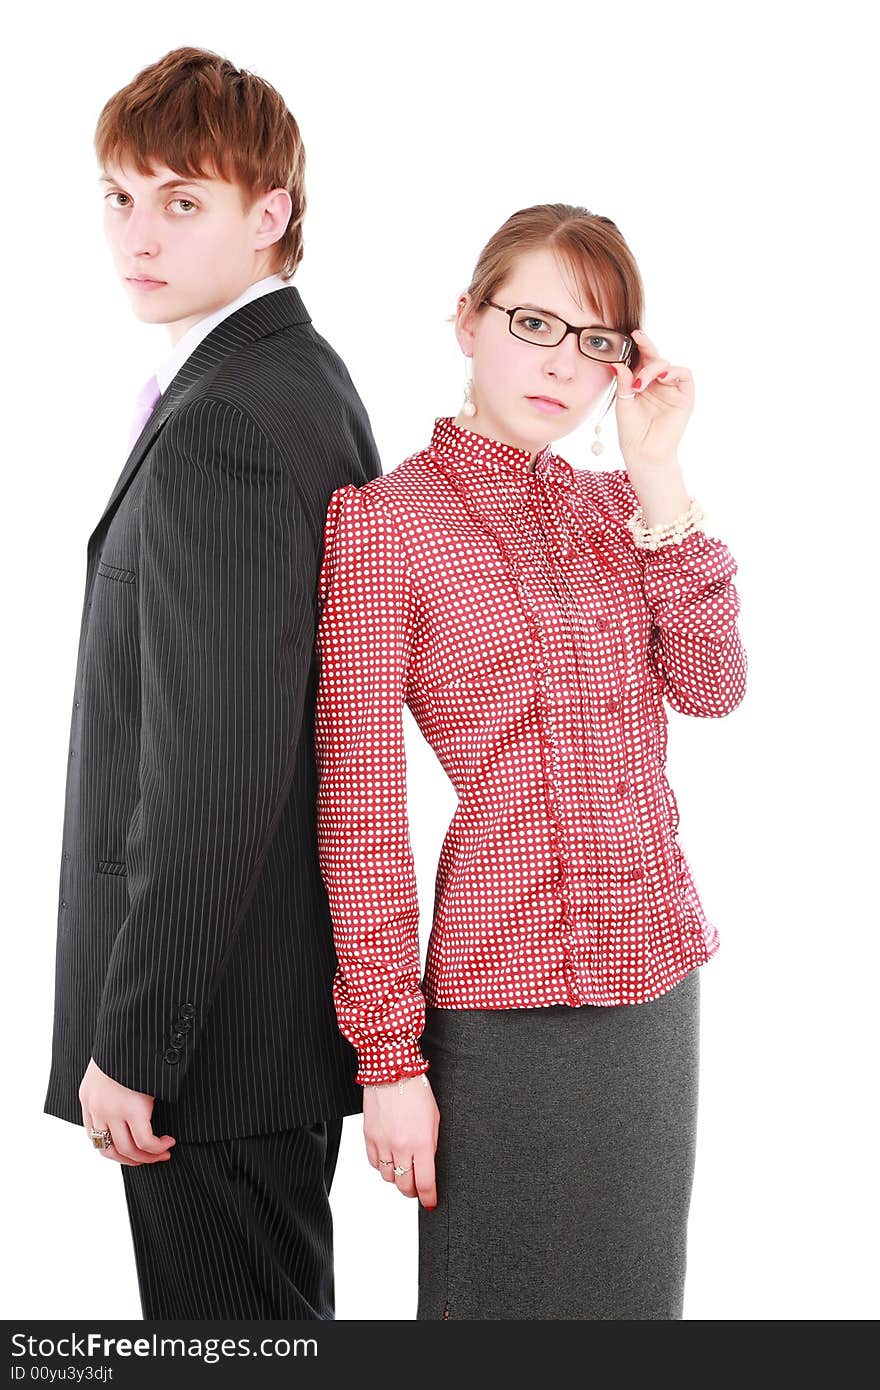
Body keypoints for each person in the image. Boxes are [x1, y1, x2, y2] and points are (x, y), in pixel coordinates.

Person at [313, 203, 748, 1320]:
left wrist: (659, 473)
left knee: (635, 1311)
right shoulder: (383, 525)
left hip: (656, 984)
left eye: (598, 341)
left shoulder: (620, 511)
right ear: (465, 319)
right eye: (533, 323)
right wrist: (388, 1056)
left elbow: (712, 687)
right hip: (502, 1004)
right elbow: (360, 809)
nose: (564, 364)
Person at [43, 46, 381, 1320]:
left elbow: (219, 772)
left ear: (269, 214)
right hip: (255, 1028)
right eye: (119, 195)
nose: (138, 232)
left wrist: (132, 1045)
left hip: (213, 1047)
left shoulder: (231, 419)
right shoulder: (286, 375)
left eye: (181, 200)